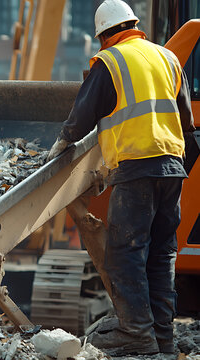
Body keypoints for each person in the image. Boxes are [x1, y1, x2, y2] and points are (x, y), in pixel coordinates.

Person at [47, 0, 196, 356]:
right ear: (134, 24)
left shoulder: (110, 62)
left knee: (125, 255)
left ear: (104, 36)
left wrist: (62, 143)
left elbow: (83, 114)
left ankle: (135, 333)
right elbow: (187, 122)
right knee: (161, 254)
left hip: (135, 168)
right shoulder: (167, 58)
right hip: (173, 167)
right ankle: (162, 337)